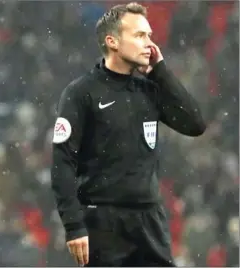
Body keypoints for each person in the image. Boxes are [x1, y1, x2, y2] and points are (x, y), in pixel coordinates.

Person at [50, 2, 206, 267]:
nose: (149, 43)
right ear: (112, 41)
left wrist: (161, 70)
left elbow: (195, 124)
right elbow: (62, 162)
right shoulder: (81, 93)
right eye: (139, 35)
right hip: (103, 222)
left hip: (150, 221)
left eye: (149, 35)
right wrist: (74, 225)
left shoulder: (150, 91)